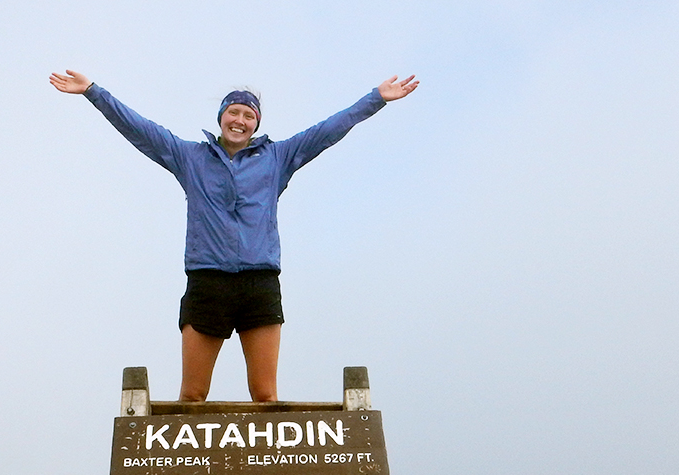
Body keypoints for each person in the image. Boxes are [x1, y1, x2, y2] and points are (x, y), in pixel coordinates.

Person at [49, 69, 418, 401]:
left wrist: (376, 98)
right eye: (234, 112)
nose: (240, 120)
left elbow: (327, 131)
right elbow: (140, 129)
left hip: (259, 282)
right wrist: (93, 92)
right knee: (193, 394)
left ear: (256, 125)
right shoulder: (189, 157)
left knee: (265, 394)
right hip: (208, 280)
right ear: (222, 117)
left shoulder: (277, 158)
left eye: (248, 116)